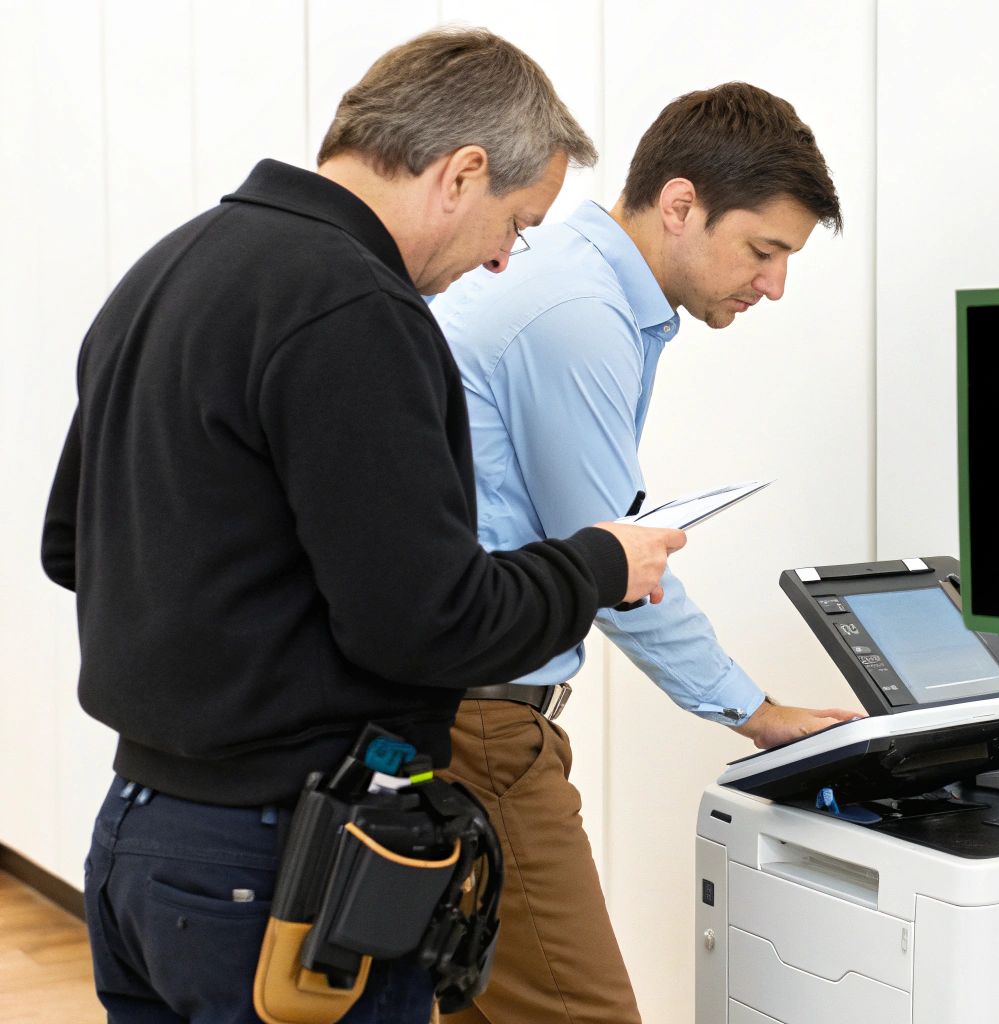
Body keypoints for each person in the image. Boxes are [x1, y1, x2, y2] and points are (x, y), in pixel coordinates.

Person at [39, 28, 684, 1023]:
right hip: (279, 858)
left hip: (138, 840)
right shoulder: (352, 305)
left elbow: (70, 547)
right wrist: (600, 562)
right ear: (461, 173)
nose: (506, 259)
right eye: (517, 222)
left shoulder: (168, 268)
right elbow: (426, 622)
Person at [430, 82, 860, 1023]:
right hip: (482, 722)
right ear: (680, 204)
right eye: (763, 250)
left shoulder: (580, 285)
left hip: (459, 701)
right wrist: (756, 711)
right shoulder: (578, 313)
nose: (774, 284)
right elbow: (613, 568)